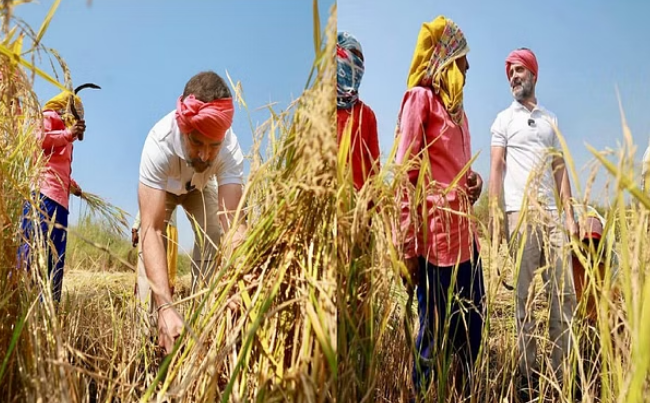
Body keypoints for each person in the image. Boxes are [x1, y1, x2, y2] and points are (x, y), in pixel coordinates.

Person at [394, 16, 485, 400]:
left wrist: (473, 182)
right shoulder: (420, 100)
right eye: (462, 58)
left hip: (467, 240)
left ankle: (461, 393)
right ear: (446, 57)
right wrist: (407, 246)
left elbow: (454, 170)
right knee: (432, 332)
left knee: (474, 323)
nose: (467, 66)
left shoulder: (458, 111)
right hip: (435, 243)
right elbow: (404, 176)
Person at [488, 48, 577, 396]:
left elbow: (560, 169)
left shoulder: (550, 120)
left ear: (534, 74)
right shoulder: (502, 121)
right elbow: (496, 168)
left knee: (562, 295)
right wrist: (496, 215)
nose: (514, 76)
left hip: (551, 217)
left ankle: (560, 374)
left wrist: (569, 216)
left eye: (520, 70)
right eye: (510, 72)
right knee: (522, 301)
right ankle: (526, 377)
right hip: (519, 215)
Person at [137, 71, 247, 354]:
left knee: (213, 233)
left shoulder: (230, 149)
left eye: (214, 146)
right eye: (197, 142)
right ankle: (153, 331)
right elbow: (152, 228)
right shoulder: (158, 143)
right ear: (183, 128)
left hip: (199, 187)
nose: (205, 155)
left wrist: (237, 280)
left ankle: (206, 310)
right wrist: (165, 305)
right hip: (166, 190)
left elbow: (233, 224)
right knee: (150, 251)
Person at [17, 84, 99, 303]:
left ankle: (49, 310)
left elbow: (57, 165)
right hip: (43, 197)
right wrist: (67, 133)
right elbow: (37, 140)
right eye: (75, 112)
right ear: (66, 107)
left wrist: (74, 186)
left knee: (54, 259)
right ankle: (23, 302)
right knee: (35, 253)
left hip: (61, 203)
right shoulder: (49, 116)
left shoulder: (65, 132)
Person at [336, 31, 380, 191]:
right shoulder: (319, 109)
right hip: (323, 206)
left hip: (356, 209)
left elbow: (374, 169)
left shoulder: (367, 115)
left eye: (360, 60)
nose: (357, 65)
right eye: (353, 56)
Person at [132, 208, 178, 300]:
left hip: (168, 227)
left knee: (166, 271)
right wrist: (135, 228)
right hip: (149, 227)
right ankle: (143, 307)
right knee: (144, 270)